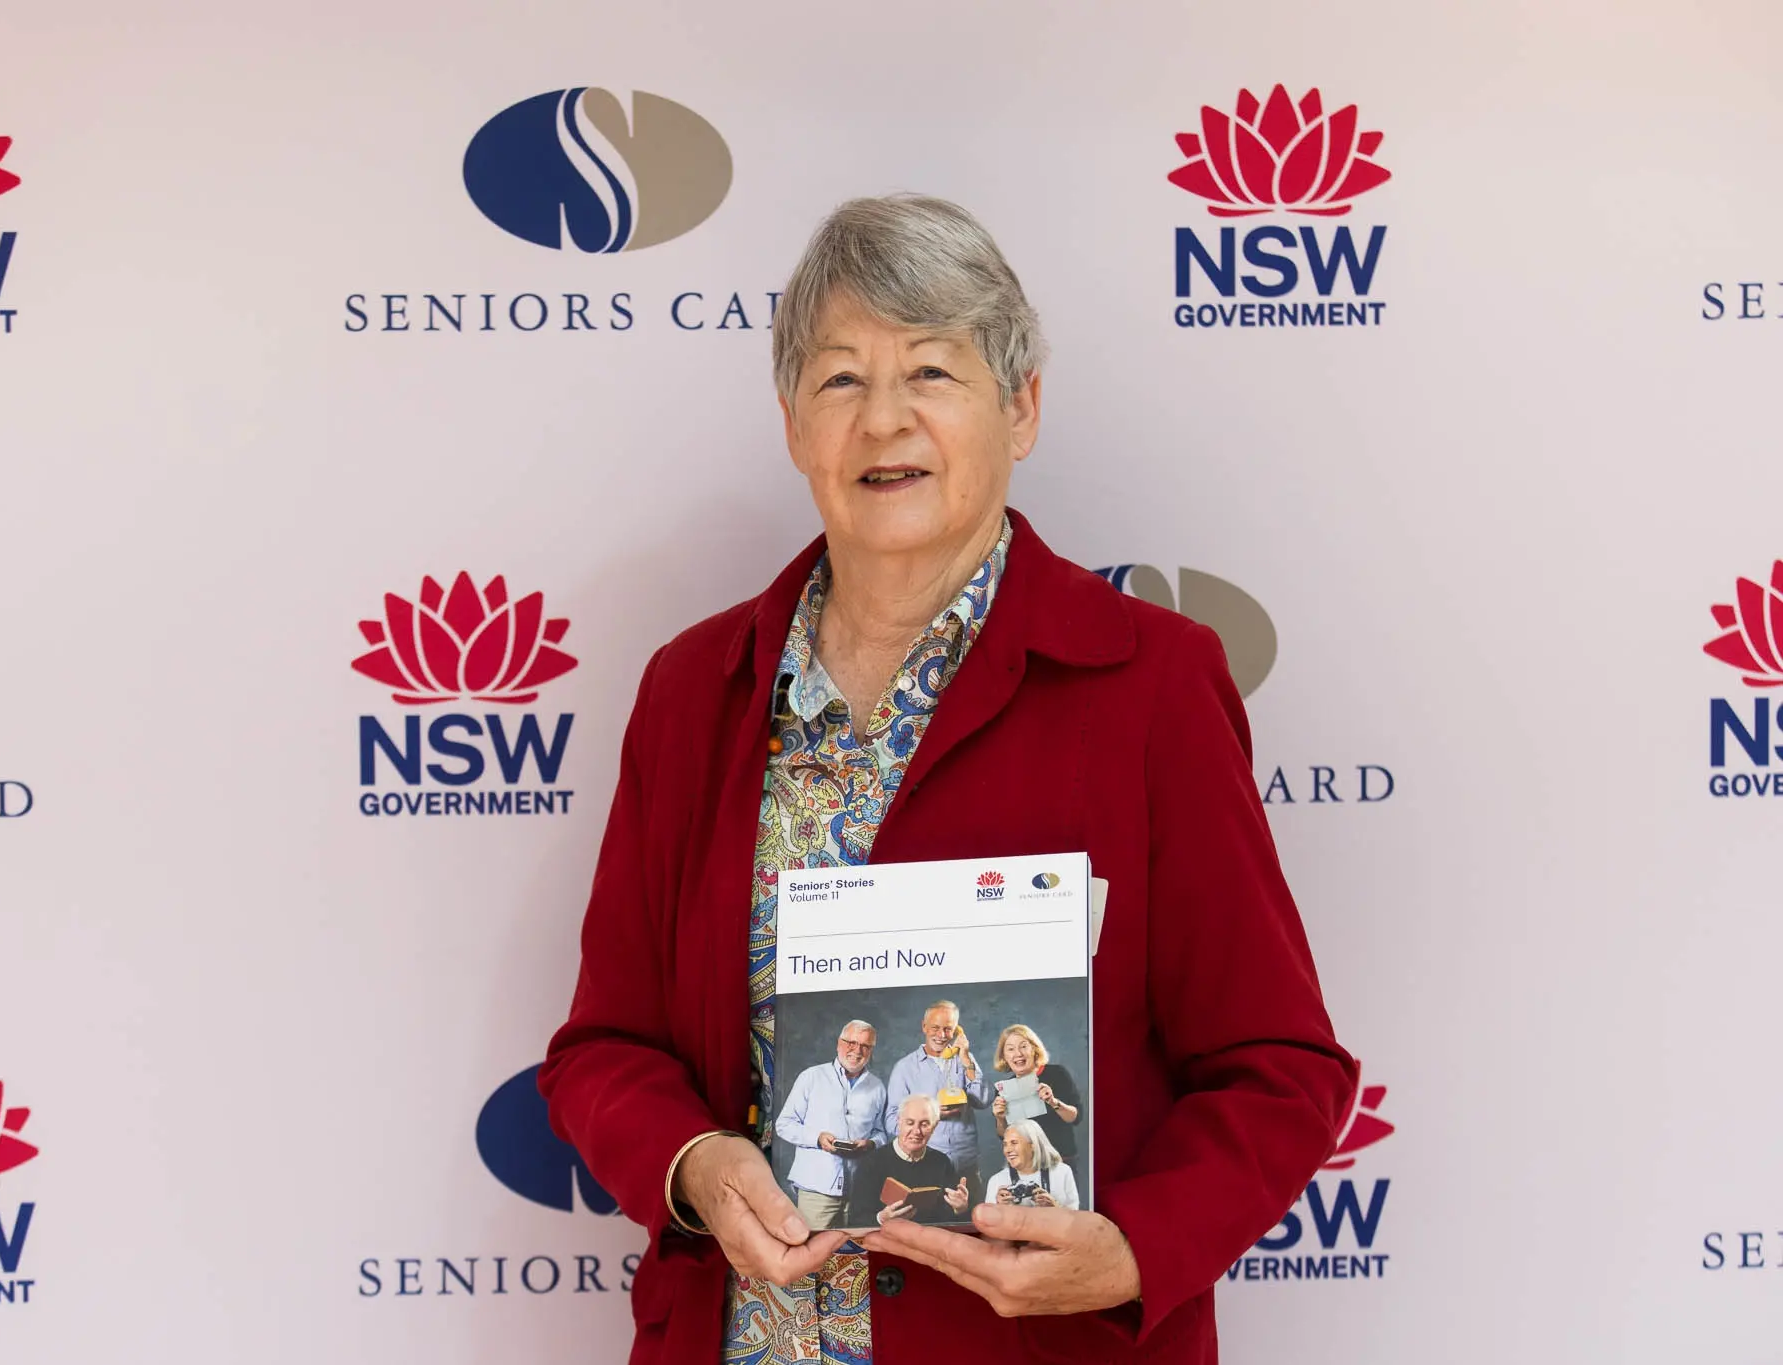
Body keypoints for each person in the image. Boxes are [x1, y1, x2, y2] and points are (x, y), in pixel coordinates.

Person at [542, 193, 1355, 1365]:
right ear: (792, 423)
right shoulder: (692, 692)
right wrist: (691, 1163)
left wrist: (1132, 1250)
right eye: (839, 379)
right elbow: (604, 1047)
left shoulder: (1152, 686)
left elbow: (1277, 1071)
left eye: (930, 371)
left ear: (1018, 408)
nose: (882, 420)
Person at [774, 1021, 887, 1230]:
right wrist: (817, 1139)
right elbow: (784, 1124)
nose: (857, 1051)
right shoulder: (811, 1077)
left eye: (865, 1046)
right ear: (838, 1043)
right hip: (817, 1190)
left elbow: (881, 1133)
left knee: (857, 1248)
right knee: (815, 1248)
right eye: (851, 1042)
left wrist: (871, 1143)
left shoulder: (877, 1087)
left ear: (871, 1050)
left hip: (859, 1192)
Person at [884, 1000, 990, 1204]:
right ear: (924, 1027)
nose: (941, 1035)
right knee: (932, 1220)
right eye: (935, 1028)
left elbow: (983, 1099)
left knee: (972, 1220)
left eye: (948, 1029)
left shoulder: (965, 1059)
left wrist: (966, 1059)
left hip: (967, 1166)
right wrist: (930, 1116)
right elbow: (891, 1121)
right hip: (926, 1166)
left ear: (956, 1030)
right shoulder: (905, 1068)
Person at [847, 1094, 969, 1227]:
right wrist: (881, 1219)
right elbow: (856, 1220)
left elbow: (948, 1220)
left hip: (928, 1237)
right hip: (887, 1236)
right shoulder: (871, 1163)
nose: (916, 1131)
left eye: (924, 1124)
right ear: (899, 1122)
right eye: (910, 1123)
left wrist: (960, 1209)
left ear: (934, 1126)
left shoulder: (942, 1162)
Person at [990, 1022, 1084, 1166]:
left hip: (1061, 1161)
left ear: (1034, 1049)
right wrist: (1000, 1118)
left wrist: (1053, 1102)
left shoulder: (1057, 1074)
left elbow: (1075, 1118)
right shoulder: (1003, 1090)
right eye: (1010, 1049)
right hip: (1026, 1165)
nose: (1018, 1054)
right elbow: (1004, 1135)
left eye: (1023, 1046)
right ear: (1004, 1056)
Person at [985, 1119, 1081, 1211]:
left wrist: (1054, 1208)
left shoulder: (1062, 1172)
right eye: (1005, 1144)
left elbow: (1074, 1217)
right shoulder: (997, 1180)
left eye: (1014, 1143)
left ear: (1033, 1145)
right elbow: (988, 1220)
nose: (1008, 1150)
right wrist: (999, 1209)